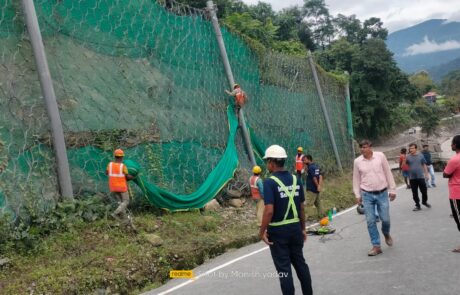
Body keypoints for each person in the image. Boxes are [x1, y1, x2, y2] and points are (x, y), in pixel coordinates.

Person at [259, 145, 312, 295]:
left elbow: (269, 210)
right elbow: (301, 208)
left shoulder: (269, 182)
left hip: (278, 232)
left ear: (271, 162)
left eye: (267, 161)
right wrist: (303, 228)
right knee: (301, 265)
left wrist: (261, 231)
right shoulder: (296, 179)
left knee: (284, 270)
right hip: (295, 228)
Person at [353, 140, 396, 256]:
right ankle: (376, 246)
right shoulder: (357, 161)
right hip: (367, 195)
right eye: (361, 147)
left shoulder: (380, 156)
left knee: (385, 219)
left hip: (382, 193)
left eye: (365, 147)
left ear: (370, 147)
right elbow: (356, 179)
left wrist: (392, 189)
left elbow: (388, 172)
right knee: (370, 221)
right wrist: (357, 195)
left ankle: (386, 233)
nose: (362, 149)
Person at [106, 149, 135, 221]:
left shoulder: (110, 165)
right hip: (121, 187)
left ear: (115, 156)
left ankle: (124, 219)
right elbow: (127, 177)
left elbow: (106, 173)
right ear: (122, 157)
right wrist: (133, 177)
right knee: (126, 201)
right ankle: (115, 213)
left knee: (121, 204)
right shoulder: (123, 166)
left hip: (113, 187)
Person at [443, 135, 460, 253]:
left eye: (452, 143)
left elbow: (446, 174)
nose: (451, 145)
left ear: (455, 145)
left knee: (459, 218)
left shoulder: (454, 160)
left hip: (457, 193)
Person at [404, 143, 430, 211]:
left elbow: (424, 165)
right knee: (414, 193)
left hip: (420, 176)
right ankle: (417, 205)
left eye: (412, 148)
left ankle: (424, 202)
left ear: (416, 148)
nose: (411, 149)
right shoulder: (408, 157)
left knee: (424, 191)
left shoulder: (421, 155)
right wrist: (405, 159)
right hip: (412, 178)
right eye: (410, 148)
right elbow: (404, 166)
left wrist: (426, 174)